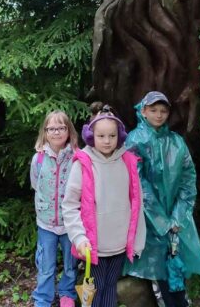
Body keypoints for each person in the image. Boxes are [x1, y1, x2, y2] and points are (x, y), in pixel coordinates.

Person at [124, 91, 200, 307]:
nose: (159, 115)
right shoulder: (135, 140)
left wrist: (178, 217)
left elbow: (188, 180)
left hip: (175, 218)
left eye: (163, 111)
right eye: (153, 110)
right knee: (159, 271)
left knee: (175, 266)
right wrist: (162, 221)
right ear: (143, 111)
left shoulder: (176, 142)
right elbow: (137, 183)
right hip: (148, 221)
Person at [62, 103, 146, 307]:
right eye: (101, 136)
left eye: (112, 136)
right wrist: (79, 237)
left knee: (110, 287)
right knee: (95, 288)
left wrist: (137, 241)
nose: (107, 141)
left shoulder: (128, 162)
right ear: (91, 136)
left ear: (120, 136)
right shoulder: (83, 163)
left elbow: (137, 203)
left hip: (119, 243)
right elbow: (70, 205)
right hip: (93, 246)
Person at [30, 110, 79, 307]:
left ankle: (67, 293)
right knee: (45, 264)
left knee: (70, 263)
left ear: (69, 131)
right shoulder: (39, 159)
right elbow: (36, 185)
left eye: (61, 128)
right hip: (46, 223)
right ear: (45, 132)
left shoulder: (77, 158)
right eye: (51, 128)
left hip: (70, 224)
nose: (56, 132)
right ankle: (43, 298)